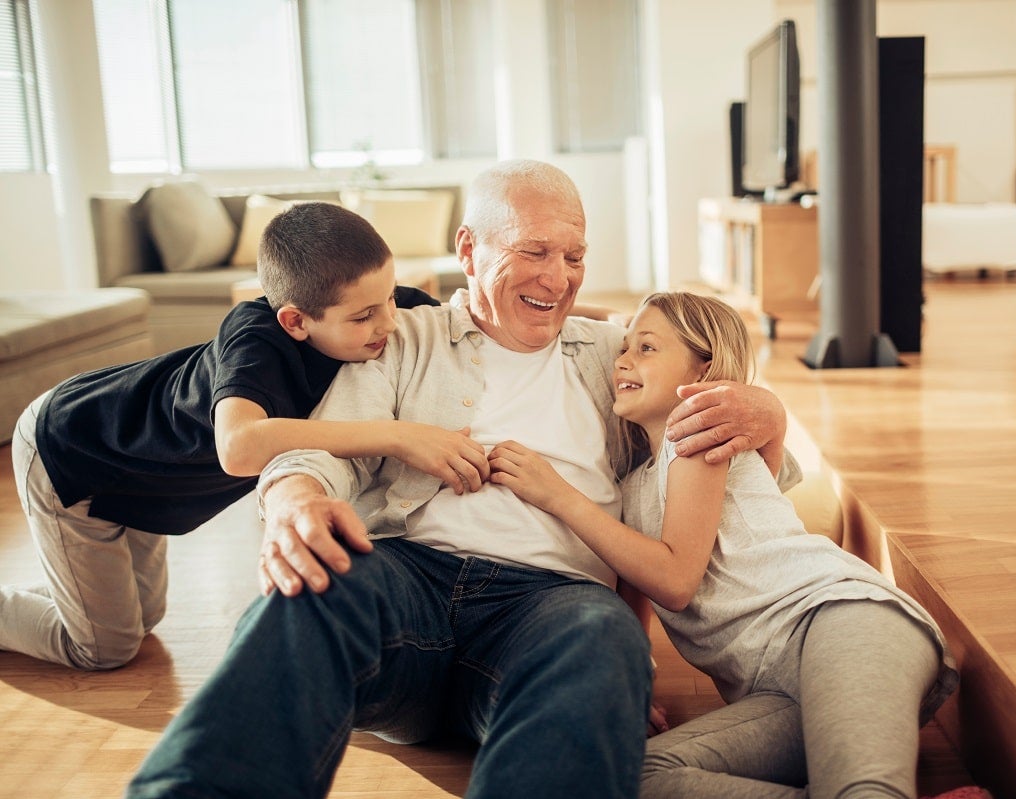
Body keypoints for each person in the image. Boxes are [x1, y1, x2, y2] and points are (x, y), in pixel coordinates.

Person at [125, 160, 797, 799]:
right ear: (469, 249)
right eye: (535, 251)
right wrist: (294, 498)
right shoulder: (403, 340)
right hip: (405, 580)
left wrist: (768, 410)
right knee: (308, 587)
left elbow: (731, 434)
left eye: (575, 256)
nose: (560, 279)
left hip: (551, 606)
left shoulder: (614, 351)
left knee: (603, 638)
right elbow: (318, 454)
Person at [487, 291, 961, 799]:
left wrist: (558, 494)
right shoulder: (629, 490)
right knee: (642, 777)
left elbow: (674, 580)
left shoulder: (699, 432)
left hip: (840, 622)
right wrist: (629, 679)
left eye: (647, 348)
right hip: (772, 688)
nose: (623, 359)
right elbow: (634, 595)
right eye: (623, 348)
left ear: (703, 371)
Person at [0, 201, 485, 671]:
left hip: (144, 481)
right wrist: (397, 436)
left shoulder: (378, 309)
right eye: (363, 316)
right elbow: (237, 448)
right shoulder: (254, 337)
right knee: (106, 648)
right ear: (295, 321)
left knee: (143, 617)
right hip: (74, 451)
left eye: (390, 299)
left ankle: (74, 589)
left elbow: (455, 325)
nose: (389, 322)